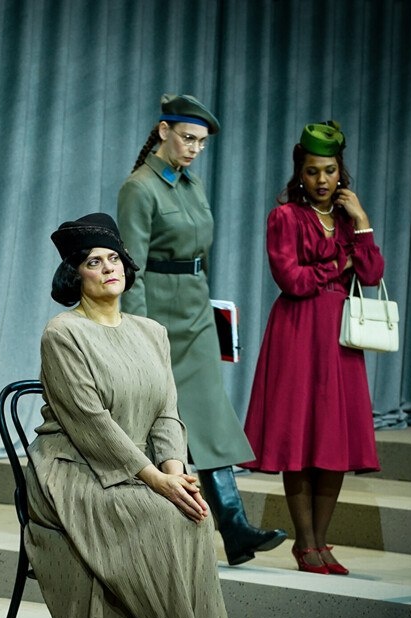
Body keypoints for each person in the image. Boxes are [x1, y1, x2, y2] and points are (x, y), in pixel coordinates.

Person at [25, 213, 247, 618]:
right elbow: (91, 423)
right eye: (93, 262)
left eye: (114, 258)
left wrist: (174, 473)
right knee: (160, 516)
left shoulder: (152, 332)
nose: (109, 268)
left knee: (194, 512)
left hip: (138, 469)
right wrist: (153, 480)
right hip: (73, 471)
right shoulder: (63, 333)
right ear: (74, 274)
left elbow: (167, 413)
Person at [117, 93, 287, 565]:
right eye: (188, 138)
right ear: (163, 131)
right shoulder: (139, 188)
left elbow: (202, 253)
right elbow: (131, 268)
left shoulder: (192, 185)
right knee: (156, 424)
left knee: (211, 419)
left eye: (201, 142)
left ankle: (234, 527)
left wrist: (212, 312)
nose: (194, 149)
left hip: (195, 310)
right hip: (158, 313)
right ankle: (151, 533)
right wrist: (140, 332)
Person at [242, 121, 385, 575]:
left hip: (339, 341)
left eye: (329, 170)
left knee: (332, 441)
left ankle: (322, 543)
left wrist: (362, 223)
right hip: (298, 333)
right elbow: (292, 281)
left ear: (341, 171)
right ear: (299, 173)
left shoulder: (346, 220)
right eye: (311, 171)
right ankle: (304, 544)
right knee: (299, 439)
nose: (321, 180)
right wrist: (339, 263)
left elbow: (372, 274)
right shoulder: (284, 217)